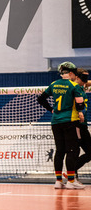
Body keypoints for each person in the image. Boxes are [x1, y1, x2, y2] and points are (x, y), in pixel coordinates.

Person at [37, 61, 85, 189]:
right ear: (71, 73)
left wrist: (51, 109)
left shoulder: (53, 84)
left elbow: (40, 98)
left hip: (55, 121)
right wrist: (80, 109)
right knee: (72, 150)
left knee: (59, 151)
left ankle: (58, 181)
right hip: (69, 121)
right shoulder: (74, 86)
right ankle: (71, 181)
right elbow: (80, 104)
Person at [70, 68, 91, 181]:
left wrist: (86, 82)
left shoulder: (81, 87)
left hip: (83, 124)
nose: (85, 81)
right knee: (75, 151)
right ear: (77, 77)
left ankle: (72, 173)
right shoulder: (73, 88)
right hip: (77, 124)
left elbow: (87, 82)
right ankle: (72, 173)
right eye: (83, 78)